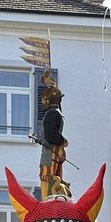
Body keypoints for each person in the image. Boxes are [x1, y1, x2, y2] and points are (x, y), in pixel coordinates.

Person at [38, 70, 68, 199]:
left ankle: (49, 200)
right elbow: (51, 135)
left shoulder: (52, 114)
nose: (41, 102)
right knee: (52, 179)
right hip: (52, 153)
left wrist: (62, 140)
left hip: (51, 154)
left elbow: (51, 135)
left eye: (43, 99)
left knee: (49, 179)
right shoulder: (54, 113)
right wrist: (62, 140)